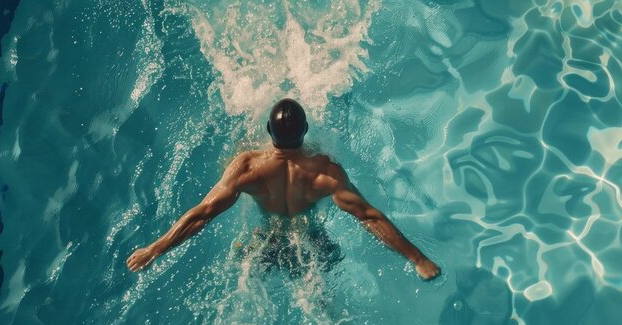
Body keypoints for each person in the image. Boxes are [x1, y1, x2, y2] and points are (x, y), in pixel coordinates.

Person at [126, 99, 440, 280]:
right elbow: (369, 216)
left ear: (268, 132)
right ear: (305, 132)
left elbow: (203, 214)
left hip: (265, 241)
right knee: (318, 299)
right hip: (313, 241)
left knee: (245, 269)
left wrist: (155, 248)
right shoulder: (325, 172)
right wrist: (416, 259)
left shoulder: (246, 167)